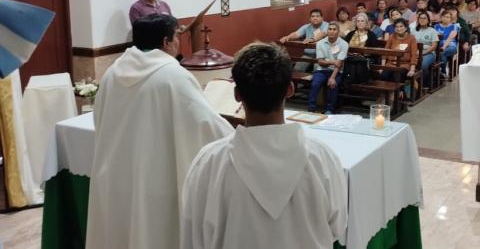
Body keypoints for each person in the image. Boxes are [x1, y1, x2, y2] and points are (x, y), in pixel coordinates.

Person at [86, 14, 233, 249]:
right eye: (177, 36)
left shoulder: (113, 72)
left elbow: (99, 119)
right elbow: (206, 125)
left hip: (114, 177)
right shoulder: (173, 76)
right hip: (153, 182)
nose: (178, 42)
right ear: (166, 42)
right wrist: (237, 135)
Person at [180, 43, 347, 249]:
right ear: (290, 89)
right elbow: (337, 227)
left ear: (237, 95)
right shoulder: (322, 157)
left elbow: (193, 234)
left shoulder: (209, 162)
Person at [309, 23, 348, 114]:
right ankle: (311, 109)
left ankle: (329, 110)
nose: (331, 31)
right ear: (327, 31)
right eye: (329, 29)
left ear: (338, 32)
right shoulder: (320, 43)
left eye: (334, 29)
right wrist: (333, 62)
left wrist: (332, 77)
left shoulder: (344, 44)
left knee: (332, 84)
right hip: (321, 70)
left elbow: (339, 63)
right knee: (315, 83)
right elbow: (320, 62)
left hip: (336, 71)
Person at [411, 11, 439, 88]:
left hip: (429, 53)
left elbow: (434, 46)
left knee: (423, 65)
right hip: (415, 52)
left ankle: (423, 84)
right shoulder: (413, 30)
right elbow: (410, 44)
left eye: (424, 18)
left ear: (428, 20)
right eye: (420, 18)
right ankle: (413, 84)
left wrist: (423, 53)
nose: (422, 20)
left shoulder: (432, 31)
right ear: (418, 20)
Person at [434, 10, 459, 75]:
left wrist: (443, 47)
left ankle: (443, 71)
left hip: (451, 45)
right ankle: (437, 72)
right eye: (444, 16)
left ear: (450, 19)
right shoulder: (436, 26)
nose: (445, 18)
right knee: (437, 53)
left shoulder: (454, 26)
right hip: (438, 45)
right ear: (441, 17)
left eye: (448, 17)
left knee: (442, 53)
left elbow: (450, 38)